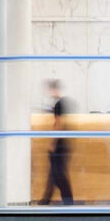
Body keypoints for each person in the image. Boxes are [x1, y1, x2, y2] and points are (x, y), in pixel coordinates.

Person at [38, 78, 75, 206]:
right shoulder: (62, 103)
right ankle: (46, 199)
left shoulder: (59, 104)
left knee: (58, 173)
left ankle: (67, 200)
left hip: (60, 145)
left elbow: (59, 123)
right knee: (54, 173)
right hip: (64, 144)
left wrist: (53, 142)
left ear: (54, 89)